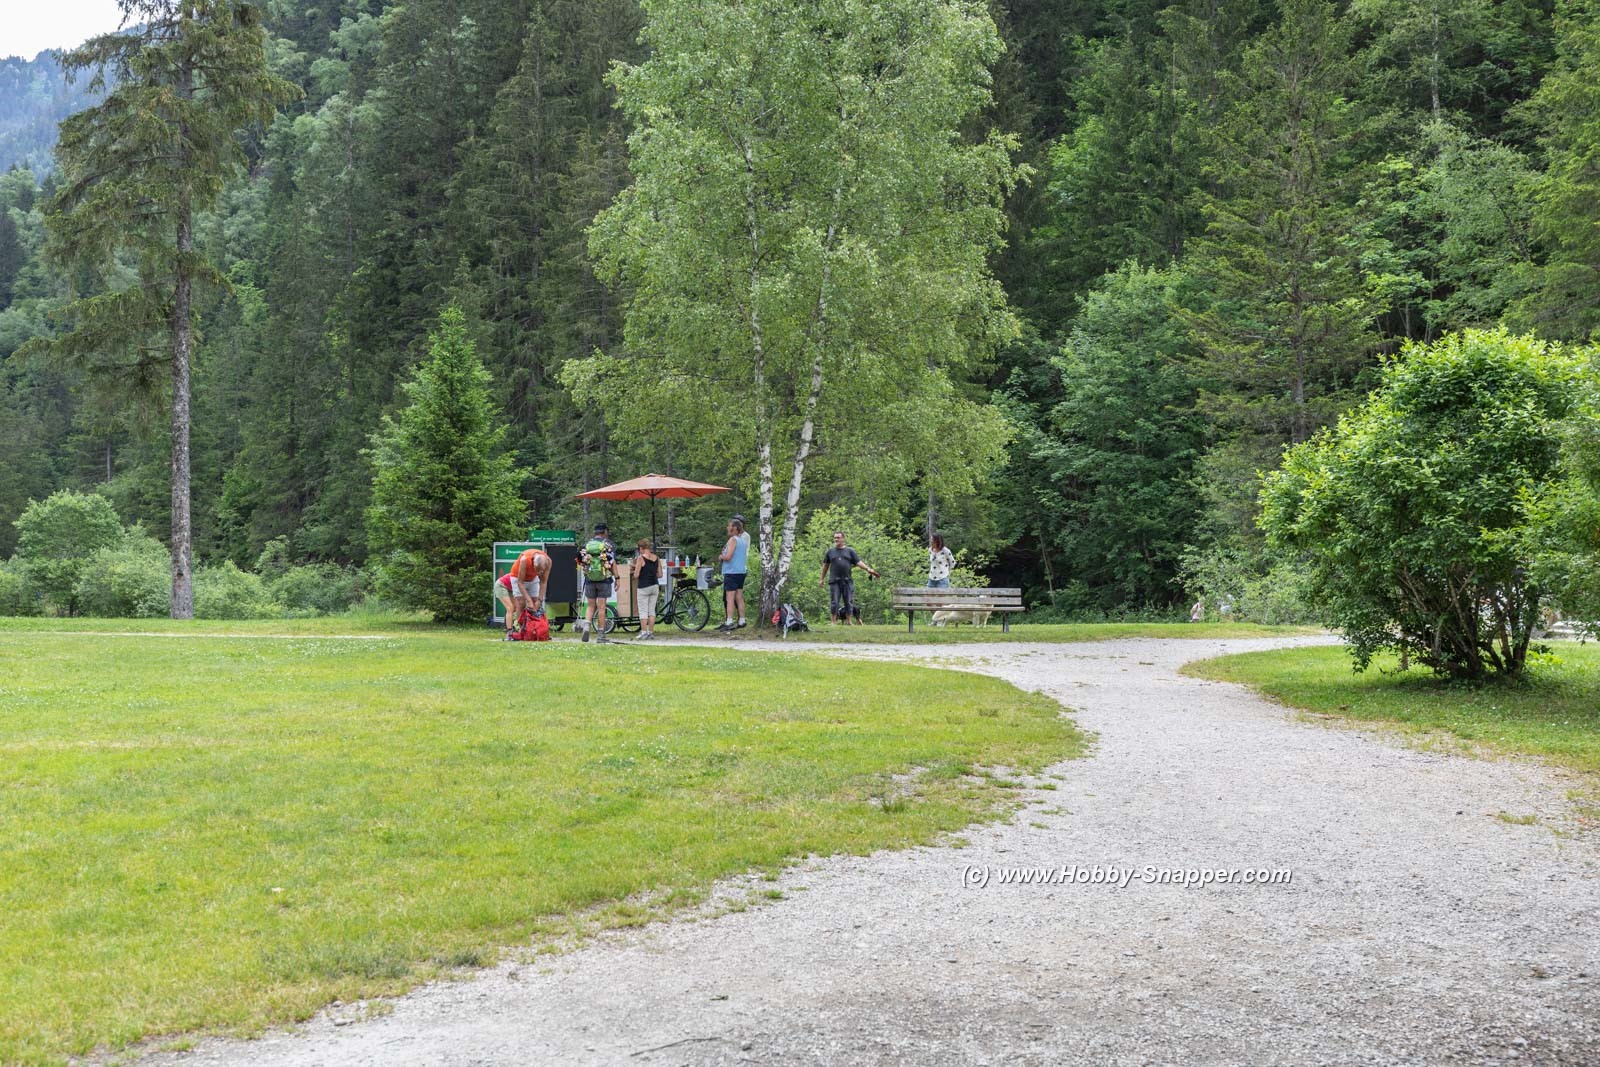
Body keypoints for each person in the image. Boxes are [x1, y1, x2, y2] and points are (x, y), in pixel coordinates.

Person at [819, 530, 879, 625]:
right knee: (834, 602)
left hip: (847, 581)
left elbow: (858, 562)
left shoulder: (850, 551)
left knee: (848, 602)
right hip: (834, 581)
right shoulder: (830, 552)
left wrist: (868, 569)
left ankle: (849, 622)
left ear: (843, 538)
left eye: (838, 537)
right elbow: (825, 566)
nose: (836, 539)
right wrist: (821, 579)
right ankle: (833, 622)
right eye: (835, 538)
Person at [579, 522, 617, 644]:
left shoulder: (587, 545)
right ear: (605, 532)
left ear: (594, 533)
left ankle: (586, 626)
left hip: (590, 579)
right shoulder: (608, 545)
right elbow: (612, 563)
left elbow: (580, 561)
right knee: (601, 607)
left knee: (590, 606)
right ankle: (601, 635)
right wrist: (618, 578)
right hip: (604, 580)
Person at [716, 516, 750, 631]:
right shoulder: (742, 541)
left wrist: (721, 557)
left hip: (732, 572)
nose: (727, 528)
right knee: (739, 597)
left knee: (729, 597)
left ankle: (729, 621)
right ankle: (742, 620)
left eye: (729, 526)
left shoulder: (733, 540)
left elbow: (729, 556)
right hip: (741, 571)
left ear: (735, 528)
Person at [632, 538, 663, 641]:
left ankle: (644, 632)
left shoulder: (641, 559)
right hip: (655, 586)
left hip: (644, 586)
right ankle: (651, 632)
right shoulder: (656, 558)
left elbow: (636, 575)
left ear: (641, 548)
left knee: (643, 610)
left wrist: (633, 566)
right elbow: (660, 574)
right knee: (652, 611)